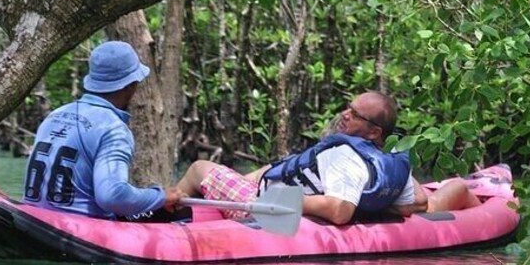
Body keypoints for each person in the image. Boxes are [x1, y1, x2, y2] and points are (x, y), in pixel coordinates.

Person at [176, 91, 426, 225]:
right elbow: (417, 203)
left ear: (374, 132)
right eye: (348, 107)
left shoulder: (345, 157)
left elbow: (340, 211)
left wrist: (281, 200)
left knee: (199, 168)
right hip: (273, 190)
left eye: (355, 114)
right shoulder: (387, 158)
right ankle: (181, 210)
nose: (345, 114)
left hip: (267, 207)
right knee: (259, 172)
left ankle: (162, 215)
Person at [23, 41, 182, 219]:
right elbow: (112, 196)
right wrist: (161, 196)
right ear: (130, 86)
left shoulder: (55, 115)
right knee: (176, 215)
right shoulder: (113, 128)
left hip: (36, 217)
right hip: (81, 230)